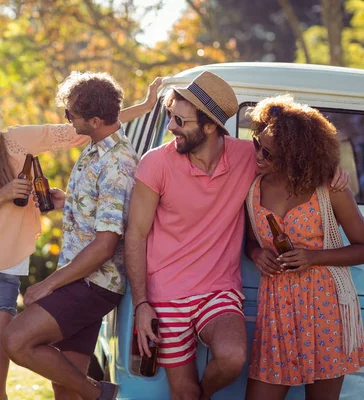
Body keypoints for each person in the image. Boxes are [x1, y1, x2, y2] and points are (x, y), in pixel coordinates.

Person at [0, 74, 161, 400]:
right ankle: (96, 393)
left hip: (8, 275)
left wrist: (143, 107)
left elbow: (84, 127)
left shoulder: (19, 142)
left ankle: (98, 393)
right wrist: (15, 196)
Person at [124, 71, 349, 400]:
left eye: (180, 121)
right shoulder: (156, 162)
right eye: (171, 117)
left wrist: (333, 170)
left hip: (218, 290)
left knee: (232, 356)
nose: (171, 127)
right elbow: (136, 234)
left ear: (211, 126)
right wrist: (142, 303)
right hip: (165, 292)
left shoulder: (250, 156)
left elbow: (297, 153)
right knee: (182, 392)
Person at [0, 71, 140, 400]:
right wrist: (71, 202)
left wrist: (48, 284)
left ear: (93, 120)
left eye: (70, 114)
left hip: (93, 284)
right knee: (65, 388)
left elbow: (106, 244)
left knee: (16, 340)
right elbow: (103, 215)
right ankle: (91, 393)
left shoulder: (117, 163)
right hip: (83, 280)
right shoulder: (96, 150)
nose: (65, 119)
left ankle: (101, 394)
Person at [244, 95, 364, 400]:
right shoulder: (251, 188)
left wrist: (314, 257)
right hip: (276, 310)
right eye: (257, 142)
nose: (258, 154)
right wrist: (257, 253)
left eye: (268, 152)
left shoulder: (329, 190)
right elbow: (246, 239)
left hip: (325, 307)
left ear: (295, 154)